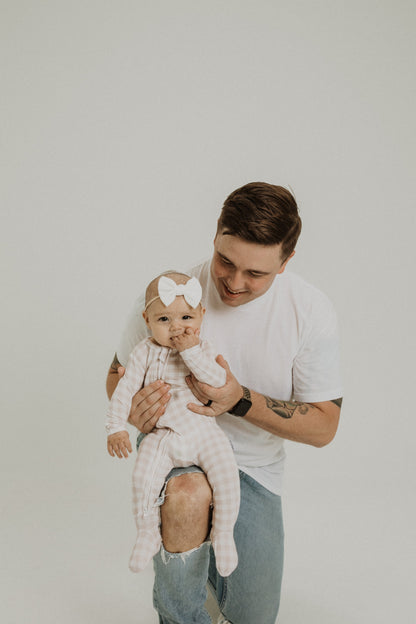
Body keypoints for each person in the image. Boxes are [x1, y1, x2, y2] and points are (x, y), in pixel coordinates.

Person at [106, 182, 343, 624]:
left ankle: (209, 561)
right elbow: (116, 374)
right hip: (175, 445)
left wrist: (238, 400)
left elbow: (325, 425)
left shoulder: (310, 310)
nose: (234, 283)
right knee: (189, 492)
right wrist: (135, 411)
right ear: (216, 234)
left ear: (286, 262)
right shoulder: (168, 293)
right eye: (225, 261)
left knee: (252, 615)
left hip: (254, 469)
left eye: (256, 274)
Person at [106, 272, 240, 577]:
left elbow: (217, 380)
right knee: (143, 479)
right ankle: (147, 532)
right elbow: (124, 390)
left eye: (186, 317)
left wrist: (189, 350)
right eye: (164, 319)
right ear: (147, 320)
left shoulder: (203, 348)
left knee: (226, 478)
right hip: (163, 435)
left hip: (204, 432)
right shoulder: (143, 351)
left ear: (201, 316)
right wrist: (115, 427)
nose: (177, 327)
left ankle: (223, 534)